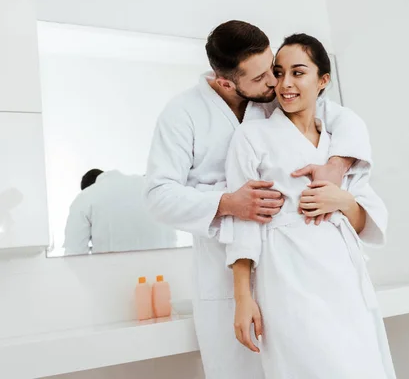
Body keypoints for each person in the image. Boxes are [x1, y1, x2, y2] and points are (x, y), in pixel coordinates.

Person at [145, 21, 374, 379]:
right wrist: (227, 203)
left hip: (291, 273)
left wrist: (337, 163)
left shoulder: (271, 100)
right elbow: (158, 195)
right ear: (225, 83)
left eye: (274, 68)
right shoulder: (182, 115)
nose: (275, 82)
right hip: (227, 268)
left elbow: (346, 121)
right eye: (262, 77)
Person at [226, 34, 396, 378]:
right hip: (287, 276)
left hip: (344, 280)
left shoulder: (340, 149)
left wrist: (342, 199)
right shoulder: (251, 137)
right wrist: (243, 298)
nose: (285, 83)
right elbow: (243, 224)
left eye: (298, 73)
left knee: (358, 367)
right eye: (279, 72)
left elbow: (365, 223)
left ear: (323, 81)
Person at [62, 169, 176, 255]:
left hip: (113, 276)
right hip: (164, 272)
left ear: (87, 187)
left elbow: (74, 253)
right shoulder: (147, 185)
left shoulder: (85, 197)